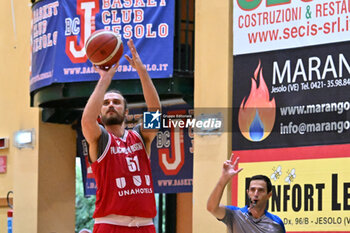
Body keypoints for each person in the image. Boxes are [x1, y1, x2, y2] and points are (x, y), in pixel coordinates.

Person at [81, 38, 161, 233]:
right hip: (110, 224)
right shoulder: (100, 140)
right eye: (106, 102)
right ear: (99, 114)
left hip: (145, 225)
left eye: (116, 102)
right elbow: (86, 121)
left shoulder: (140, 137)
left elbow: (155, 111)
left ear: (126, 113)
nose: (110, 104)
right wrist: (105, 80)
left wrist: (142, 71)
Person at [207, 154, 286, 233]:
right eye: (252, 189)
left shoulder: (276, 224)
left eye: (260, 190)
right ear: (248, 193)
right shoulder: (234, 214)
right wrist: (223, 179)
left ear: (269, 195)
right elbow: (212, 208)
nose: (256, 193)